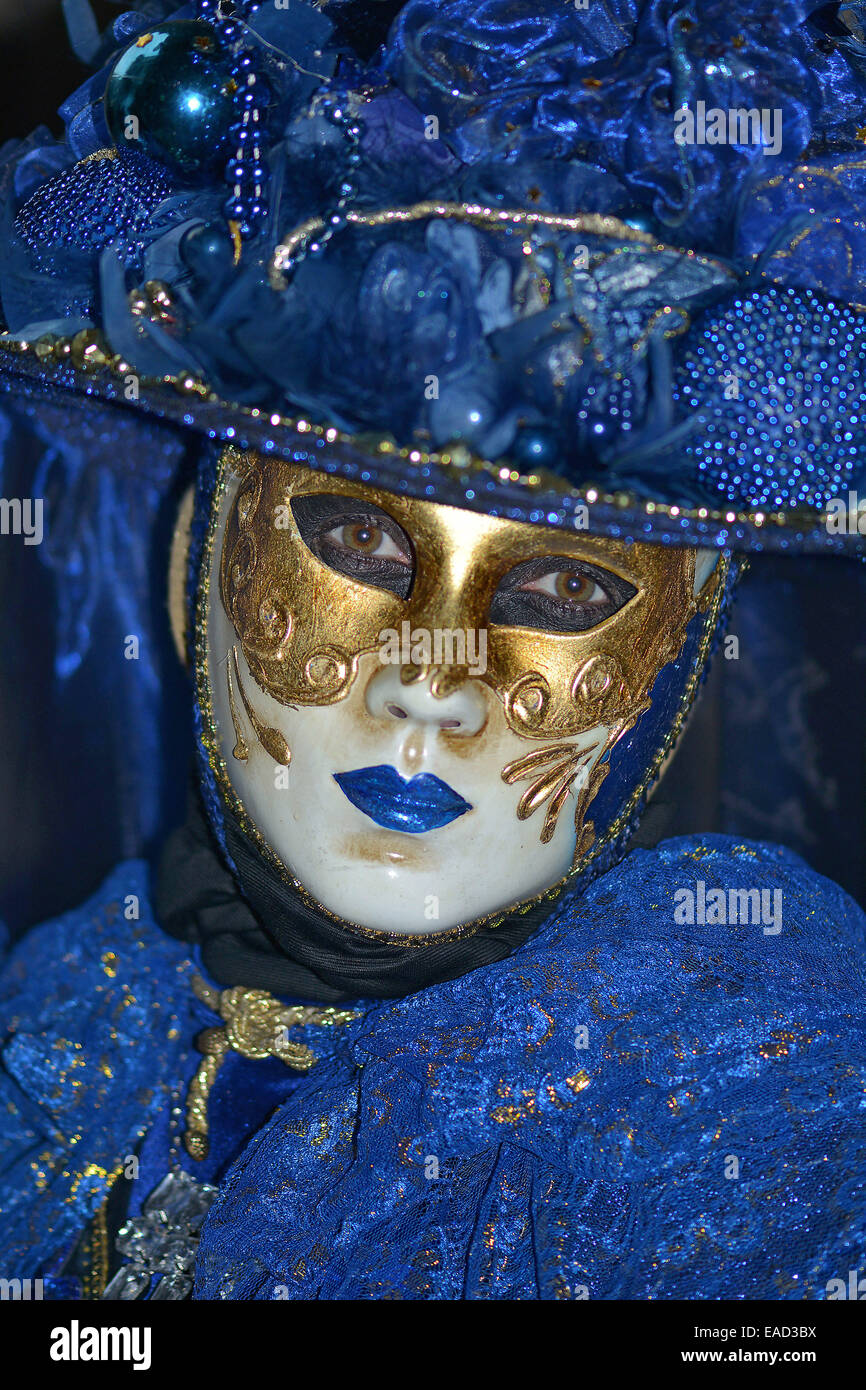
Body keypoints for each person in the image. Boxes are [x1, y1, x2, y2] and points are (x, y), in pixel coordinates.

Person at [0, 0, 864, 1300]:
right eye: (354, 541)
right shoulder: (76, 1018)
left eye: (567, 584)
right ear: (199, 568)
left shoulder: (732, 1101)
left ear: (672, 657)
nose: (429, 686)